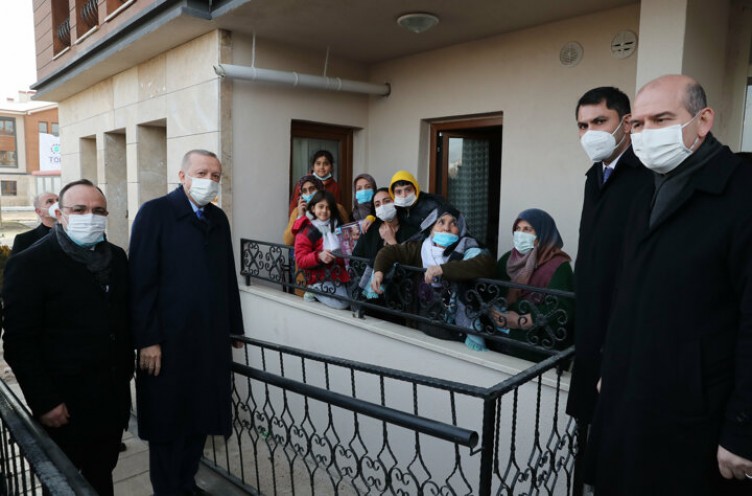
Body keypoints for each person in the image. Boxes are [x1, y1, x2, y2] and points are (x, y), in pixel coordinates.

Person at [586, 75, 752, 495]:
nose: (647, 134)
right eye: (638, 124)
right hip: (627, 397)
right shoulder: (646, 190)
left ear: (703, 120)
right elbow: (627, 290)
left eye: (661, 119)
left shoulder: (741, 193)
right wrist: (610, 367)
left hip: (693, 417)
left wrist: (742, 429)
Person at [2, 180, 133, 496]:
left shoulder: (116, 257)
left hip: (111, 399)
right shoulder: (30, 263)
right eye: (80, 209)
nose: (90, 216)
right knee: (64, 482)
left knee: (101, 475)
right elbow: (19, 342)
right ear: (59, 214)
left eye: (98, 210)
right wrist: (45, 401)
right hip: (64, 404)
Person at [129, 149, 245, 496]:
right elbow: (140, 281)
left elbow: (227, 276)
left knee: (200, 417)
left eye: (216, 175)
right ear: (182, 176)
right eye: (202, 173)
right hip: (167, 345)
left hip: (208, 341)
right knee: (168, 424)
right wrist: (148, 339)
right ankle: (168, 490)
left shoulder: (218, 218)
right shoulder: (155, 213)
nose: (209, 180)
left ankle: (186, 484)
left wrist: (234, 327)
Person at [565, 86, 652, 426]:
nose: (590, 133)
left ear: (626, 123)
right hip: (591, 316)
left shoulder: (647, 176)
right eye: (583, 125)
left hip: (624, 323)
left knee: (616, 421)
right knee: (589, 421)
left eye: (599, 121)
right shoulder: (594, 176)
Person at [371, 204, 495, 345]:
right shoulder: (421, 248)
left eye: (453, 223)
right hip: (423, 322)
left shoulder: (468, 248)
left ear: (460, 230)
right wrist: (378, 272)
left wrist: (443, 269)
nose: (446, 228)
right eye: (441, 222)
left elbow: (486, 264)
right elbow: (389, 252)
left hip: (455, 327)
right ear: (431, 228)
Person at [489, 208, 573, 359]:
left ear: (543, 233)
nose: (520, 234)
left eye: (527, 229)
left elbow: (560, 309)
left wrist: (519, 321)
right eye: (518, 229)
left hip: (534, 345)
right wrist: (496, 313)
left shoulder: (559, 266)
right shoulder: (508, 259)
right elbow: (491, 292)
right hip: (498, 337)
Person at [352, 187, 420, 301]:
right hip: (367, 296)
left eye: (387, 201)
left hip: (397, 299)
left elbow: (410, 268)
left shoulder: (411, 231)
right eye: (377, 204)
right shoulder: (370, 229)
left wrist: (392, 241)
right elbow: (355, 260)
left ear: (395, 202)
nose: (382, 206)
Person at [293, 190, 351, 310]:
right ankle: (313, 291)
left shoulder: (336, 227)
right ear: (313, 208)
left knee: (356, 298)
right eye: (321, 206)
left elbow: (345, 252)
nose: (324, 211)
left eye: (328, 208)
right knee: (343, 303)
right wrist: (319, 256)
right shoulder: (307, 230)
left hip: (338, 275)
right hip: (319, 278)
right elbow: (300, 259)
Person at [283, 175, 349, 246]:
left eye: (312, 189)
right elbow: (288, 241)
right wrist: (300, 216)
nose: (308, 193)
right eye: (304, 191)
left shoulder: (337, 207)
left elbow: (348, 233)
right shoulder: (297, 211)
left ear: (320, 189)